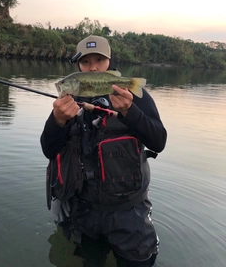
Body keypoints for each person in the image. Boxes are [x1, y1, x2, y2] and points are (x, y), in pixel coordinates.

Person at [41, 35, 167, 267]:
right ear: (78, 65)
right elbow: (49, 150)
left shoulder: (131, 96)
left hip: (130, 214)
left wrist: (132, 112)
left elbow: (159, 141)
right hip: (84, 213)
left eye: (99, 59)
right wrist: (57, 121)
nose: (93, 67)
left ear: (109, 61)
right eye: (86, 62)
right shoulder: (69, 102)